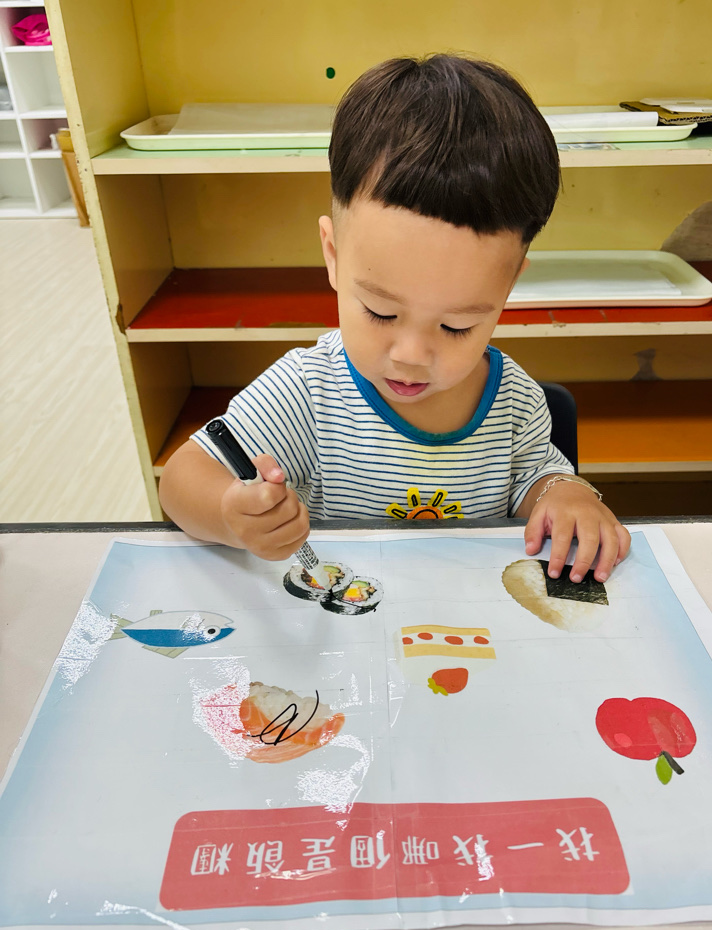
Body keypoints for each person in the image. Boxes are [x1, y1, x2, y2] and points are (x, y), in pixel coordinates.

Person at [160, 54, 631, 584]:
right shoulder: (309, 392)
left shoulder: (514, 403)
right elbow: (181, 480)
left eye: (456, 326)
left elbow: (539, 480)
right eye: (381, 312)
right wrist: (230, 513)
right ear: (333, 255)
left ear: (508, 287)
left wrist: (566, 495)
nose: (410, 355)